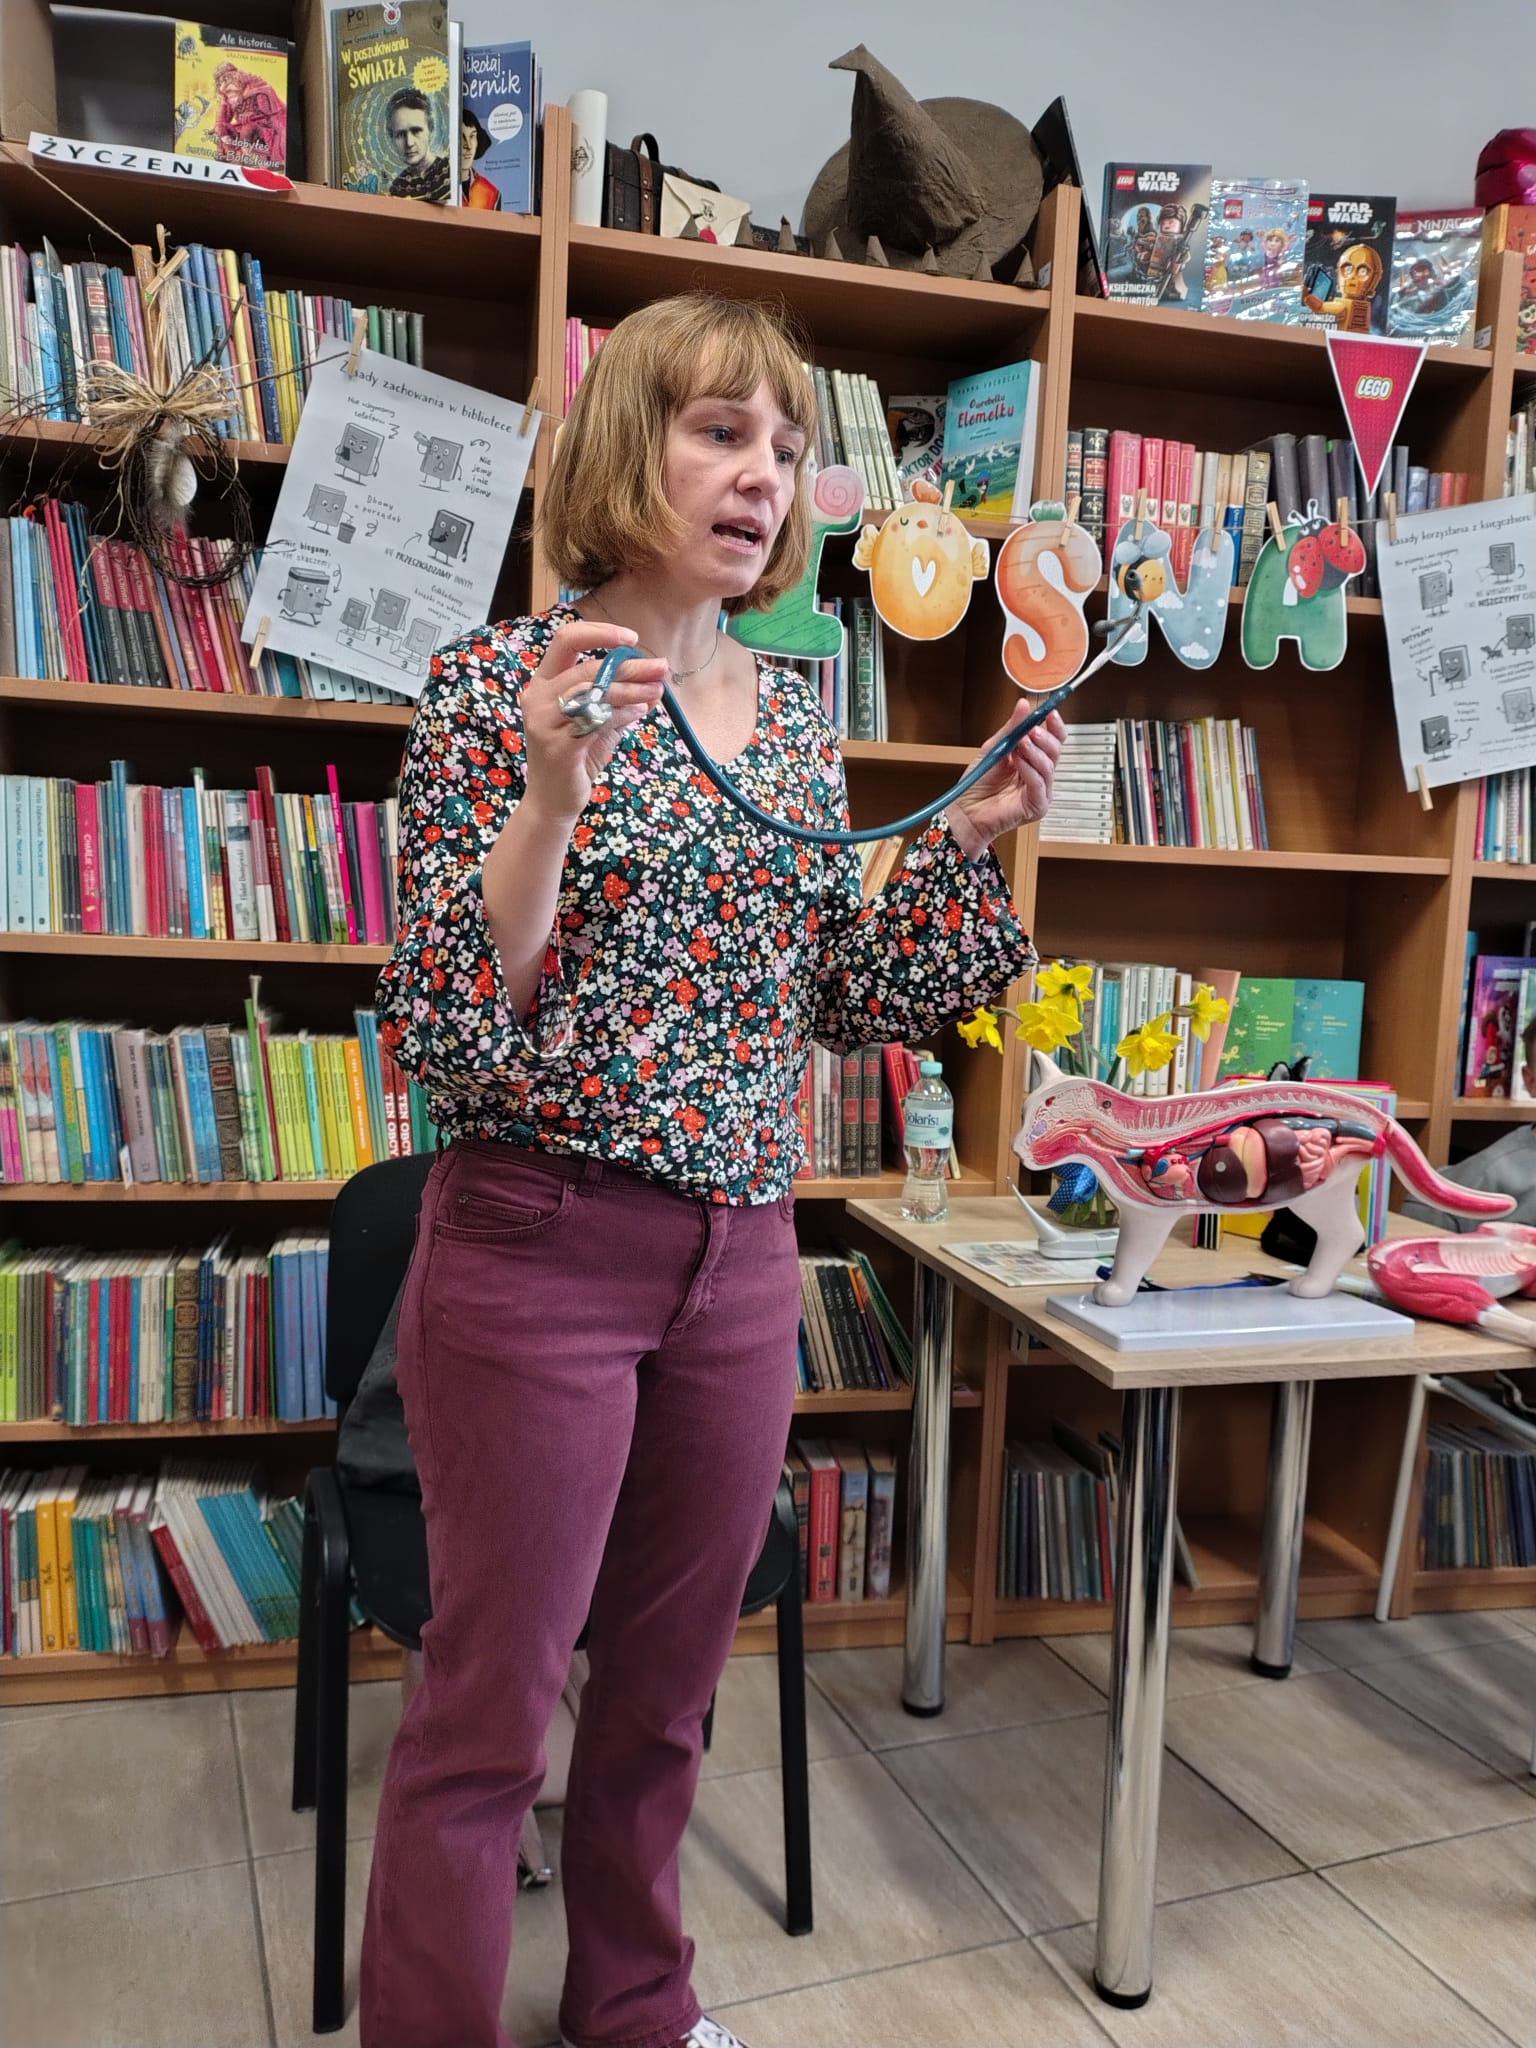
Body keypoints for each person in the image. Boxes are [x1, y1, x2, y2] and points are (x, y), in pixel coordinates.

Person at [358, 291, 1062, 2048]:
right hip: (535, 1247)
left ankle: (635, 2012)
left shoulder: (798, 717)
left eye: (789, 447)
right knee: (489, 1718)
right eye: (722, 431)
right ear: (629, 446)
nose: (764, 475)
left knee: (665, 1701)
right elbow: (451, 1015)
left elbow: (835, 997)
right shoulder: (496, 685)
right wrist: (548, 793)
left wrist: (970, 845)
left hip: (741, 1259)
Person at [386, 86, 450, 206]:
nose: (409, 143)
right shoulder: (397, 187)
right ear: (392, 138)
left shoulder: (450, 172)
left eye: (416, 131)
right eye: (400, 134)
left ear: (430, 129)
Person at [1302, 240, 1383, 331]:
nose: (1352, 277)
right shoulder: (1363, 307)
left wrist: (1305, 293)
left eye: (1362, 272)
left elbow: (1318, 307)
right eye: (1348, 270)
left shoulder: (1341, 307)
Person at [460, 105, 501, 209]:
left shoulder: (491, 192)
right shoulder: (437, 188)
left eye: (472, 136)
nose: (468, 146)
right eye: (461, 137)